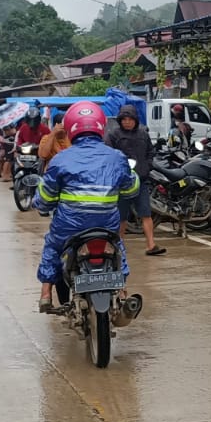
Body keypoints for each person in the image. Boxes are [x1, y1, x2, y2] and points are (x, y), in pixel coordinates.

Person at [33, 102, 139, 312]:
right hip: (106, 225)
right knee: (118, 246)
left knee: (53, 246)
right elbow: (131, 190)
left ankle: (46, 293)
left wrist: (41, 203)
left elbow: (45, 197)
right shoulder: (116, 157)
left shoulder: (61, 159)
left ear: (71, 127)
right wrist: (131, 177)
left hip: (69, 226)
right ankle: (122, 290)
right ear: (100, 125)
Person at [106, 105, 165, 256]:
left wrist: (147, 166)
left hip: (141, 181)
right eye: (124, 119)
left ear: (135, 120)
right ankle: (118, 246)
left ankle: (151, 245)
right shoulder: (113, 135)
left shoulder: (143, 134)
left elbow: (151, 152)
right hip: (122, 183)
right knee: (121, 217)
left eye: (130, 119)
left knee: (146, 214)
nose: (127, 122)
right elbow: (108, 156)